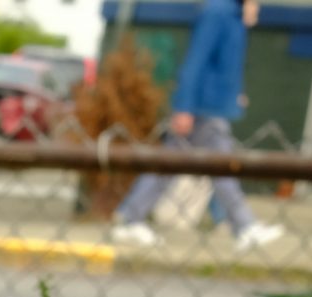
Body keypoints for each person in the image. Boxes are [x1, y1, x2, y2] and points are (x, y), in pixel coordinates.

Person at [109, 0, 285, 251]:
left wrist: (235, 91)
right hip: (204, 108)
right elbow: (197, 60)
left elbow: (226, 63)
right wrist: (184, 107)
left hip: (210, 105)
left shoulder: (231, 15)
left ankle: (130, 217)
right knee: (220, 167)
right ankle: (244, 226)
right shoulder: (218, 12)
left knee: (172, 164)